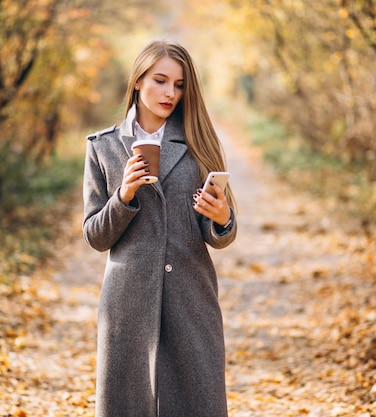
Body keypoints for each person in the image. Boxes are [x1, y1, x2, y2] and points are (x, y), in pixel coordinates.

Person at [82, 39, 237, 417]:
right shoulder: (103, 147)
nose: (170, 93)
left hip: (190, 299)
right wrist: (124, 196)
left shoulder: (200, 143)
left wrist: (221, 218)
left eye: (179, 84)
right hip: (127, 305)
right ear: (138, 80)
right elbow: (95, 235)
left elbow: (222, 232)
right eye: (160, 80)